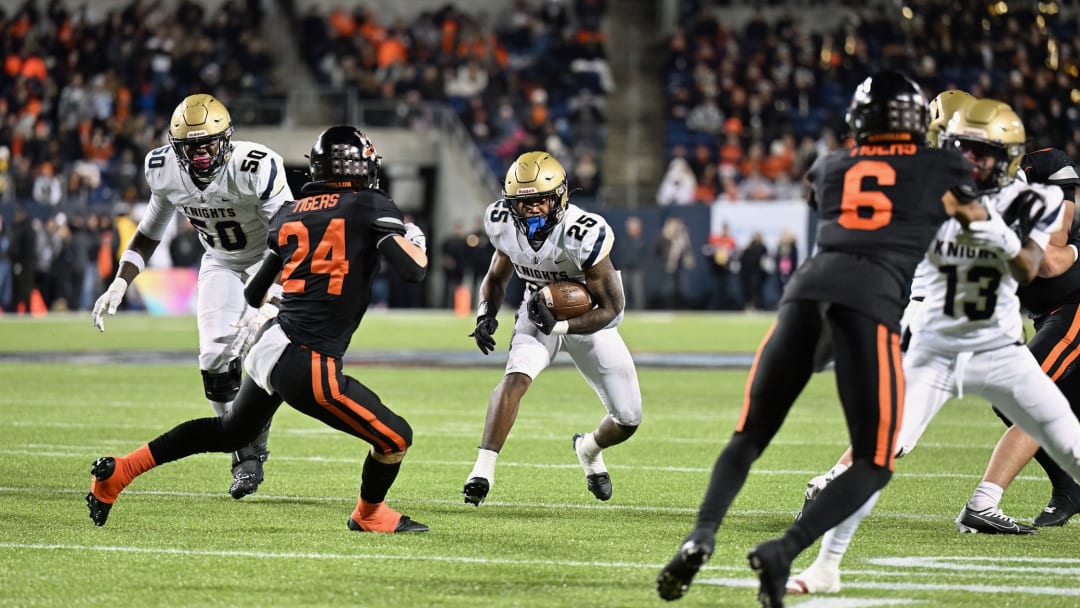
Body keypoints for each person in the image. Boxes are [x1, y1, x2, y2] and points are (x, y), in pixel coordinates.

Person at [654, 70, 982, 606]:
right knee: (875, 461)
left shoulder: (831, 166)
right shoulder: (941, 165)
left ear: (862, 119)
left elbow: (834, 198)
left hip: (805, 293)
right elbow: (974, 219)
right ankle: (785, 551)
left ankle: (702, 534)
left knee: (748, 436)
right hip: (868, 300)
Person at [785, 102, 1080, 597]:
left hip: (999, 345)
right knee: (887, 441)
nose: (972, 160)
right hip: (938, 342)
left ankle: (993, 499)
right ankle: (825, 563)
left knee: (1065, 435)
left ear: (1007, 157)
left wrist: (987, 225)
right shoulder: (926, 192)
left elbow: (1040, 266)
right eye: (963, 149)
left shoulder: (1033, 197)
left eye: (984, 153)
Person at [86, 125, 431, 534]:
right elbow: (413, 271)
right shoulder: (371, 204)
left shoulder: (292, 211)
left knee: (231, 430)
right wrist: (414, 238)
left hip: (270, 347)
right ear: (362, 166)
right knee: (395, 439)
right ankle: (369, 514)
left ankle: (119, 473)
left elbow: (253, 292)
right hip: (310, 364)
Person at [90, 94, 294, 499]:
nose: (200, 154)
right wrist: (120, 281)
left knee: (272, 357)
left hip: (268, 262)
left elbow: (288, 234)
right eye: (190, 147)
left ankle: (252, 435)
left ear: (226, 139)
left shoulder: (254, 165)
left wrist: (273, 292)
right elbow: (149, 231)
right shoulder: (163, 169)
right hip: (219, 261)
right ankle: (244, 452)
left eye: (208, 144)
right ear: (175, 147)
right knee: (214, 360)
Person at [461, 150, 641, 505]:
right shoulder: (502, 221)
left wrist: (559, 326)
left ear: (559, 197)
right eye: (523, 203)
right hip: (537, 307)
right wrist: (485, 313)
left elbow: (613, 309)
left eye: (541, 201)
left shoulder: (582, 232)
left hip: (590, 321)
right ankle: (482, 469)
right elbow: (497, 276)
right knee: (516, 376)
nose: (531, 210)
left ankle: (588, 449)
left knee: (628, 418)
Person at [952, 146, 1080, 531]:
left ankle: (985, 500)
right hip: (1049, 318)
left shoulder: (1054, 208)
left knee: (1024, 397)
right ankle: (1067, 490)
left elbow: (1048, 263)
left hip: (1074, 312)